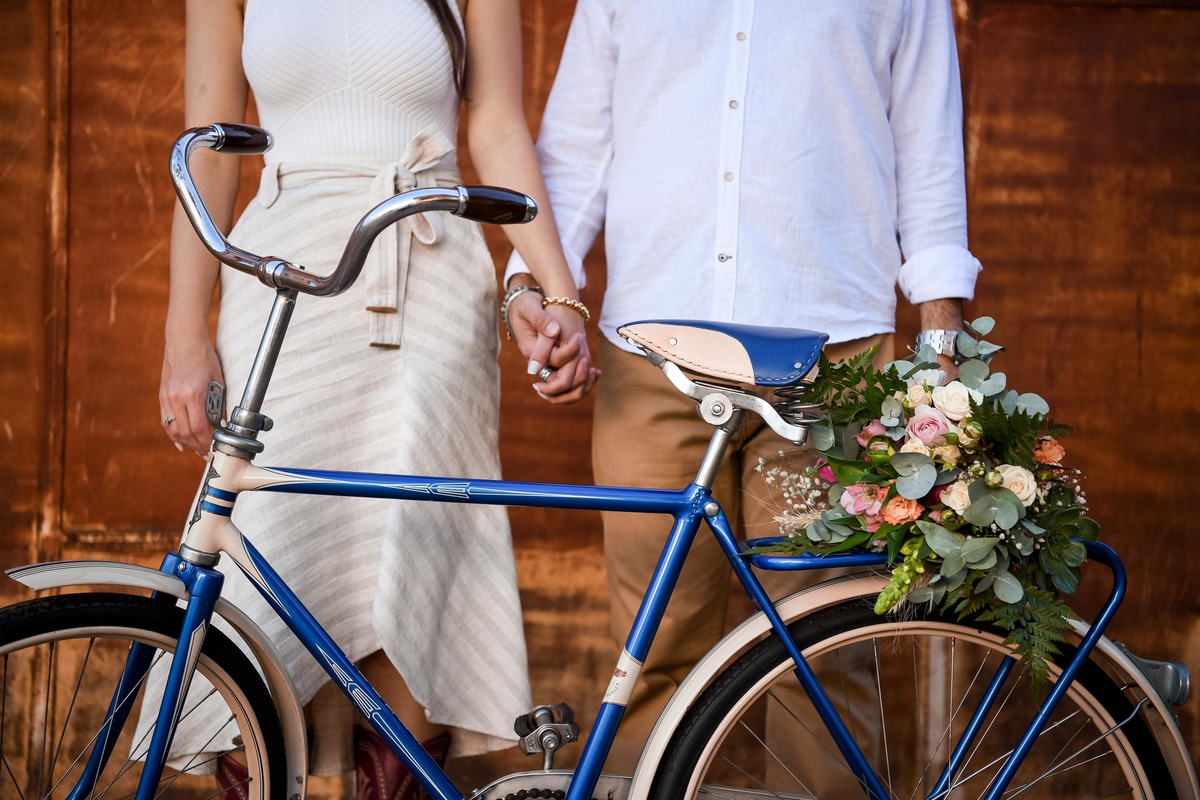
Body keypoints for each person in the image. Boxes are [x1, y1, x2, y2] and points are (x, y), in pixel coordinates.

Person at [507, 0, 983, 779]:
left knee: (822, 657)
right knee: (651, 654)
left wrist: (940, 343)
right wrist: (529, 281)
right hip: (649, 357)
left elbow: (927, 145)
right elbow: (575, 153)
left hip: (832, 363)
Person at [157, 0, 595, 796]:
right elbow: (210, 150)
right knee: (272, 543)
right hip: (280, 269)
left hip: (429, 257)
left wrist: (559, 296)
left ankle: (400, 774)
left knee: (415, 540)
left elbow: (495, 125)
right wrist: (184, 334)